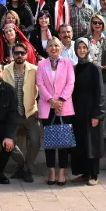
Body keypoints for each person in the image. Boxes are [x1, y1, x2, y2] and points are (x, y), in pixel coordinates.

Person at [37, 38, 75, 186]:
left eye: (56, 45)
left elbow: (70, 83)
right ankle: (52, 171)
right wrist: (51, 101)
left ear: (61, 48)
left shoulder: (67, 63)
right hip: (47, 107)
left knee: (63, 142)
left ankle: (62, 172)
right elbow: (40, 83)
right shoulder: (41, 64)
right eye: (51, 45)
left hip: (64, 107)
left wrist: (60, 100)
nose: (53, 48)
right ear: (47, 49)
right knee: (50, 142)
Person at [2, 42, 39, 182]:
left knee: (35, 141)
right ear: (12, 54)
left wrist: (39, 108)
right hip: (11, 115)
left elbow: (41, 89)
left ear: (26, 54)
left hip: (30, 112)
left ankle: (26, 169)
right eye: (16, 53)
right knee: (7, 142)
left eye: (22, 53)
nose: (19, 55)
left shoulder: (35, 69)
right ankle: (25, 167)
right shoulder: (5, 70)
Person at [71, 38, 104, 185]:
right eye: (79, 48)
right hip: (78, 110)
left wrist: (97, 113)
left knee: (92, 142)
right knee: (81, 142)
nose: (82, 50)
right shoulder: (75, 68)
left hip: (91, 109)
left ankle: (93, 174)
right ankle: (84, 172)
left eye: (85, 48)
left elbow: (99, 91)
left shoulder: (94, 68)